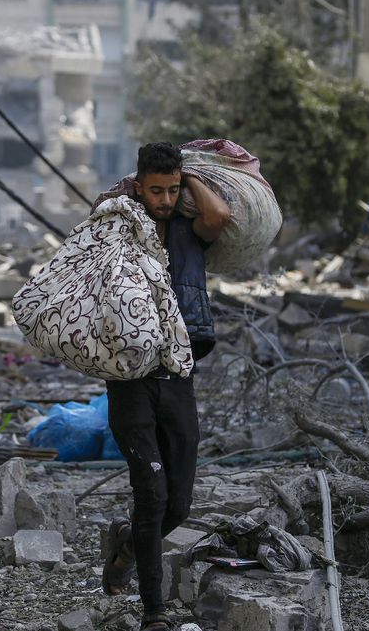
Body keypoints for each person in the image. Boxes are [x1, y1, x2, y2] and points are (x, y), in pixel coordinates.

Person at [101, 142, 230, 631]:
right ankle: (154, 609)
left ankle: (129, 543)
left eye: (172, 189)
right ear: (139, 186)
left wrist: (190, 174)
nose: (165, 199)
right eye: (156, 190)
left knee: (178, 503)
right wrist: (133, 199)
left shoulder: (187, 232)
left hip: (180, 374)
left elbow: (217, 216)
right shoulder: (120, 232)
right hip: (130, 378)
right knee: (151, 494)